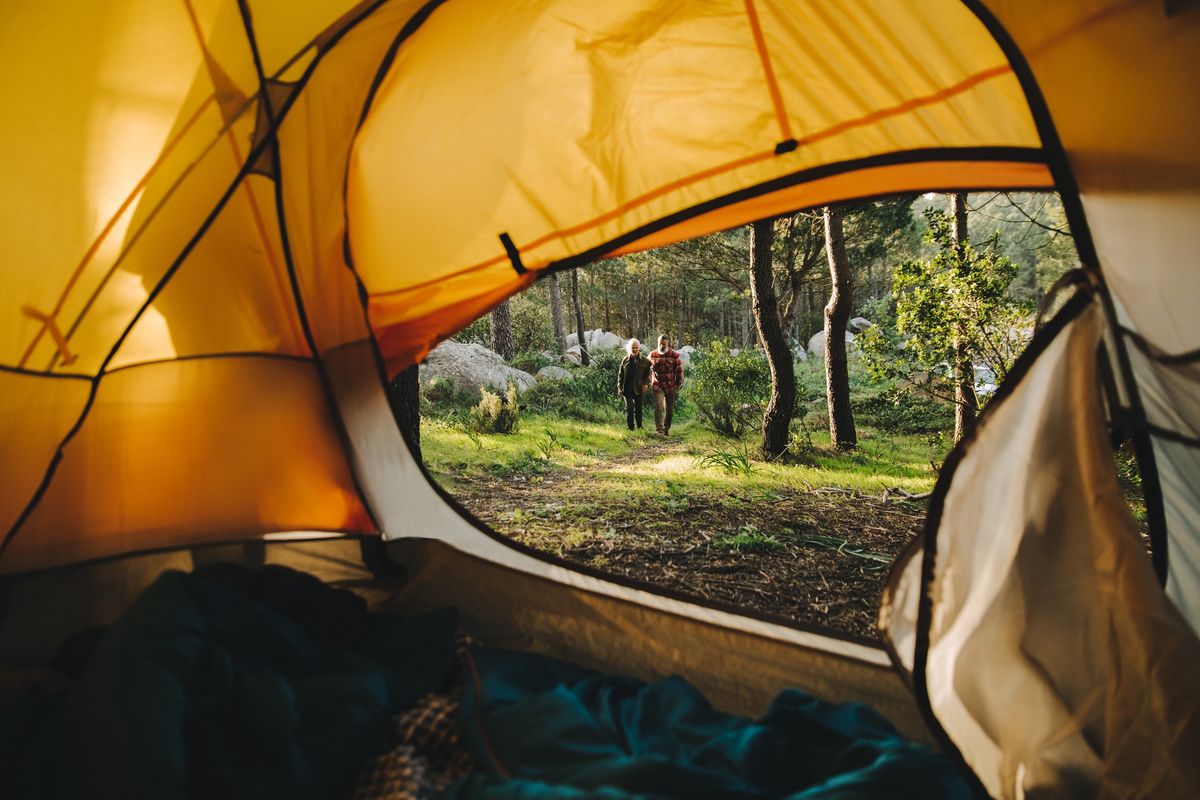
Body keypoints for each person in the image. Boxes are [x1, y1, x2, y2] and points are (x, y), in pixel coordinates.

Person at [649, 334, 683, 436]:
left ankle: (666, 428)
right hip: (658, 385)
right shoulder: (653, 355)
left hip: (670, 386)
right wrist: (646, 380)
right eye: (660, 343)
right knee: (658, 407)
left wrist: (678, 384)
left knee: (669, 410)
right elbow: (646, 368)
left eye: (664, 344)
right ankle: (659, 430)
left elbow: (679, 371)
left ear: (668, 343)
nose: (661, 346)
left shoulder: (674, 355)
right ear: (658, 343)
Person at [616, 338, 651, 431]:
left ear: (639, 348)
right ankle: (630, 427)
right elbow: (620, 375)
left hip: (639, 388)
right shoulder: (625, 359)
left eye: (636, 347)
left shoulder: (645, 361)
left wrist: (646, 383)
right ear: (629, 348)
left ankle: (639, 426)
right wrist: (619, 387)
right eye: (633, 347)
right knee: (630, 407)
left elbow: (648, 373)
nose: (634, 349)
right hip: (627, 389)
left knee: (639, 408)